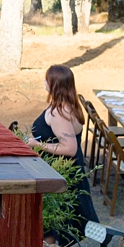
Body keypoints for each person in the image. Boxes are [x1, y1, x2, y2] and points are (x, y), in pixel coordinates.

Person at [22, 63, 100, 232]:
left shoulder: (59, 113)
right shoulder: (68, 106)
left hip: (64, 175)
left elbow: (70, 148)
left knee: (63, 229)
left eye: (47, 79)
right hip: (70, 173)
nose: (44, 82)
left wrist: (37, 144)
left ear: (55, 84)